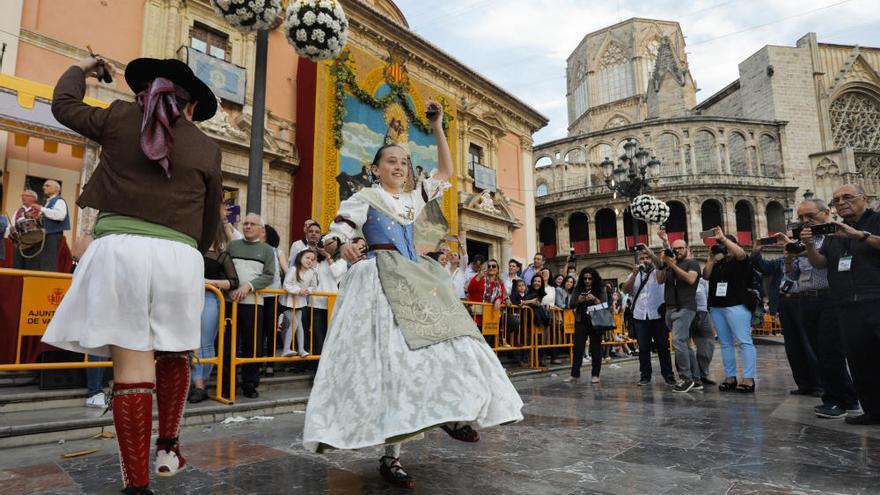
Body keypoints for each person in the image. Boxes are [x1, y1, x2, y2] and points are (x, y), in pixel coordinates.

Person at [302, 102, 522, 489]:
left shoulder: (412, 199)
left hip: (414, 278)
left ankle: (453, 412)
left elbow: (447, 171)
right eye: (391, 161)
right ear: (376, 168)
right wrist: (342, 247)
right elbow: (337, 230)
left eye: (404, 161)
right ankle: (392, 457)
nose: (399, 166)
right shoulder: (365, 197)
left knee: (451, 342)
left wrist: (437, 126)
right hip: (379, 279)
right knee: (394, 364)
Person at [42, 55, 223, 493]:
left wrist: (81, 71)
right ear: (192, 106)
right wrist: (189, 255)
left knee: (132, 369)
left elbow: (63, 105)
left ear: (143, 93)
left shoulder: (121, 117)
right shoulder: (205, 146)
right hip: (179, 256)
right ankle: (169, 446)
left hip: (118, 252)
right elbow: (209, 218)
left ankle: (136, 486)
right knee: (177, 350)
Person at [803, 183, 880, 425]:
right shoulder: (832, 232)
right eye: (836, 200)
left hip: (875, 298)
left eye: (847, 197)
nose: (841, 202)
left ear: (864, 198)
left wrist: (860, 235)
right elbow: (820, 263)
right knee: (859, 359)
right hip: (845, 302)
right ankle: (873, 411)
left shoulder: (875, 221)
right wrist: (808, 246)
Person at [782, 198, 859, 419]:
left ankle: (835, 400)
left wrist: (806, 247)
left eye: (810, 216)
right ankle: (848, 397)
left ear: (826, 213)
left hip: (829, 297)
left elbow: (821, 264)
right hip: (805, 298)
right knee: (818, 351)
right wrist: (789, 258)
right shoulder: (805, 239)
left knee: (830, 351)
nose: (805, 221)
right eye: (801, 217)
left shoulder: (834, 236)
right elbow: (793, 274)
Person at [751, 236, 820, 396]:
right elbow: (763, 267)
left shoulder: (807, 258)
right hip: (784, 302)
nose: (787, 251)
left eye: (790, 247)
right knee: (793, 345)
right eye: (786, 248)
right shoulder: (779, 262)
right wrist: (756, 252)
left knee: (807, 342)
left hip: (801, 300)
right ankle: (803, 383)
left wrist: (797, 251)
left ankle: (818, 384)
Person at [226, 213, 276, 399]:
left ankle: (250, 383)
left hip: (253, 303)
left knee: (252, 345)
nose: (247, 226)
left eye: (252, 224)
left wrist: (249, 286)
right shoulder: (232, 246)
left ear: (260, 229)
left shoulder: (267, 250)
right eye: (245, 223)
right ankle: (226, 382)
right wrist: (229, 286)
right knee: (227, 344)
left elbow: (269, 275)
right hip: (230, 302)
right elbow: (225, 268)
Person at [189, 222, 239, 403]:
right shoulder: (193, 253)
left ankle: (200, 384)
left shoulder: (222, 256)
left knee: (206, 343)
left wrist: (209, 282)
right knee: (192, 342)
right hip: (190, 299)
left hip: (210, 298)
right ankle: (196, 382)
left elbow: (233, 281)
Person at [703, 228, 756, 393]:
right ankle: (730, 376)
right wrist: (711, 259)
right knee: (725, 343)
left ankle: (748, 378)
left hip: (737, 304)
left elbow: (741, 254)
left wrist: (724, 240)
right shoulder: (718, 263)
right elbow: (705, 275)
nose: (722, 248)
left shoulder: (741, 260)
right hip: (717, 305)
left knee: (744, 341)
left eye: (724, 245)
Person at [622, 247, 674, 386]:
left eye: (647, 258)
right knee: (643, 349)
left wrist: (651, 253)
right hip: (640, 316)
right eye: (642, 258)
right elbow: (625, 290)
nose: (645, 261)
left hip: (657, 315)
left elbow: (661, 268)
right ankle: (645, 376)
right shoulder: (634, 274)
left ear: (652, 258)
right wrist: (633, 276)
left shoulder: (658, 271)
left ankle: (668, 375)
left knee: (663, 347)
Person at [657, 236, 703, 393]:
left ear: (687, 249)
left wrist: (672, 265)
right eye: (675, 248)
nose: (677, 251)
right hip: (670, 309)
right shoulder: (669, 265)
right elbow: (659, 280)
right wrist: (663, 263)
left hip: (685, 307)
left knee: (678, 341)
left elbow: (690, 279)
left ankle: (685, 378)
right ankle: (696, 380)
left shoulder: (692, 263)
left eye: (680, 248)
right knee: (684, 345)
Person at [566, 267, 608, 383]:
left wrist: (594, 299)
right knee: (578, 348)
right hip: (581, 320)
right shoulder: (578, 288)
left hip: (596, 322)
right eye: (585, 278)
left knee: (596, 348)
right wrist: (579, 300)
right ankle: (574, 374)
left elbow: (604, 304)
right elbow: (571, 305)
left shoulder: (600, 288)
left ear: (594, 278)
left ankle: (595, 374)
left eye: (590, 278)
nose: (587, 281)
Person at [260, 224, 287, 377]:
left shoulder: (277, 251)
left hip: (273, 295)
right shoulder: (253, 248)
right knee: (258, 331)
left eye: (263, 230)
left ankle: (270, 363)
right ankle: (256, 362)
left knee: (271, 331)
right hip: (256, 296)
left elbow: (286, 270)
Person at [282, 249, 318, 357]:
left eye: (312, 259)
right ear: (300, 258)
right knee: (294, 323)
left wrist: (308, 290)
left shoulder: (312, 272)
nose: (309, 261)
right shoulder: (293, 269)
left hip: (300, 302)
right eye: (307, 258)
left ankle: (301, 349)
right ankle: (286, 349)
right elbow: (286, 284)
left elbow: (314, 287)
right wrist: (298, 290)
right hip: (288, 301)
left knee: (300, 325)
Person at [466, 259, 506, 345]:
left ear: (497, 269)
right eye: (489, 266)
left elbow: (501, 295)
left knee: (489, 344)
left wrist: (499, 299)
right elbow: (470, 289)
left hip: (491, 317)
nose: (491, 268)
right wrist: (479, 276)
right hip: (477, 316)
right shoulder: (479, 278)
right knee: (478, 343)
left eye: (493, 266)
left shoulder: (500, 282)